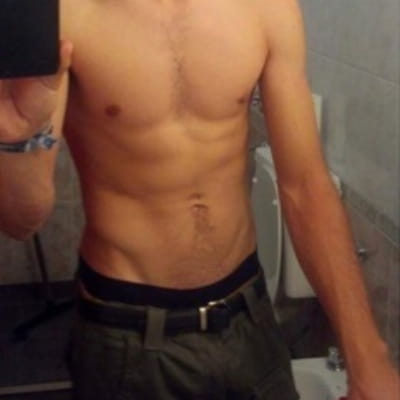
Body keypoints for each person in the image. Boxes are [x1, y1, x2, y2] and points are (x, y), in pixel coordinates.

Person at [0, 0, 398, 398]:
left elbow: (306, 186)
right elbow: (20, 221)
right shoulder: (66, 12)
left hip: (249, 319)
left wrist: (368, 358)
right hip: (128, 334)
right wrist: (15, 140)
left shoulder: (268, 8)